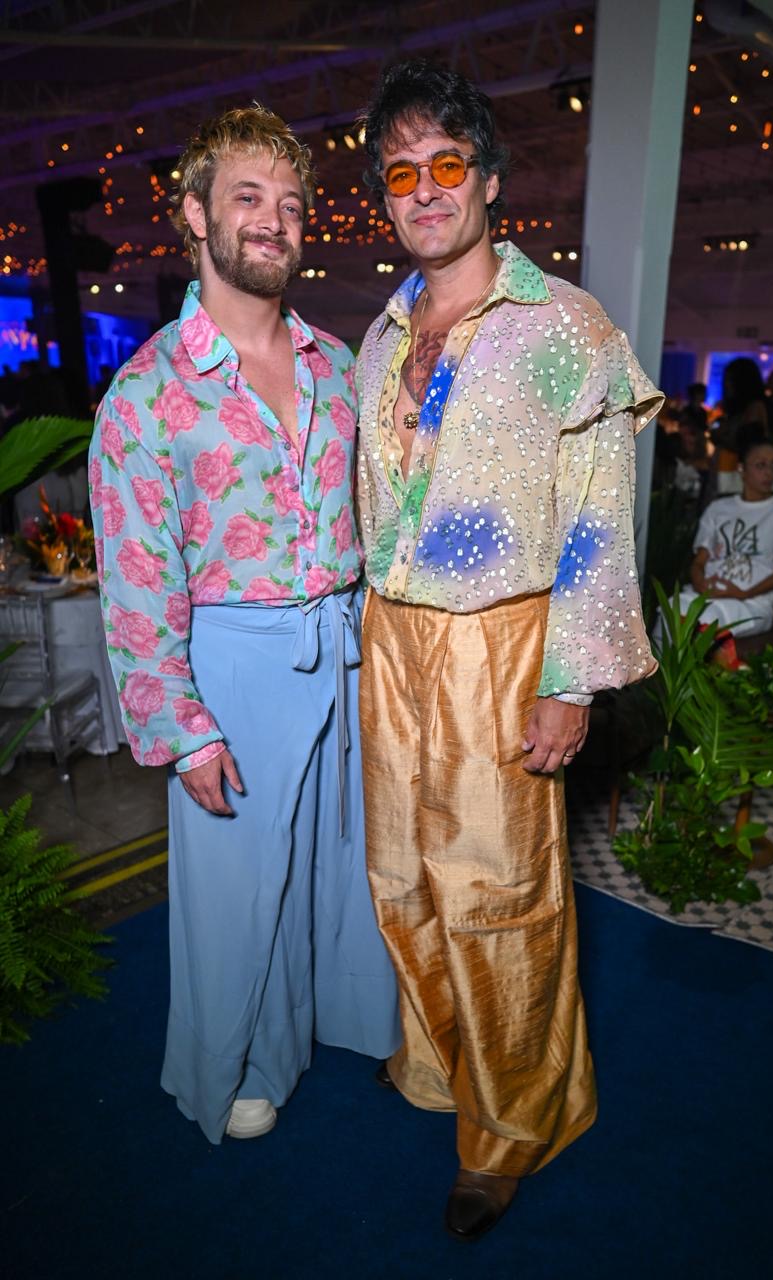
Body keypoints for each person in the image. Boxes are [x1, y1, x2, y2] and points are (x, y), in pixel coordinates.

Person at [356, 60, 663, 1240]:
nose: (426, 189)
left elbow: (600, 515)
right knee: (403, 878)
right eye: (401, 173)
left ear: (488, 179)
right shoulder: (382, 335)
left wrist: (568, 680)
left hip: (502, 637)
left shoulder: (566, 326)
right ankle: (443, 1065)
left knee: (501, 896)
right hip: (392, 636)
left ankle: (512, 1126)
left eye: (447, 163)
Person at [88, 105, 399, 1145]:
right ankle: (235, 1066)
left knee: (336, 860)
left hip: (341, 644)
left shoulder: (338, 366)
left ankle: (337, 1021)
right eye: (249, 197)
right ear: (195, 214)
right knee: (235, 891)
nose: (275, 220)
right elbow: (136, 582)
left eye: (292, 204)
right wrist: (184, 729)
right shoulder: (146, 392)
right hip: (230, 661)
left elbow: (376, 521)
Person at [671, 428, 773, 638]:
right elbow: (699, 562)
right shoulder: (718, 508)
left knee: (703, 621)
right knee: (670, 611)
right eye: (761, 465)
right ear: (741, 469)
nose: (769, 472)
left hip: (751, 602)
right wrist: (699, 583)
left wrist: (743, 593)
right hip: (708, 594)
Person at [709, 357, 767, 497]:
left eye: (730, 380)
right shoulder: (737, 410)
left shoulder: (754, 409)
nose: (726, 385)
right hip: (726, 473)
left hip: (735, 478)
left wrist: (720, 437)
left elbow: (749, 447)